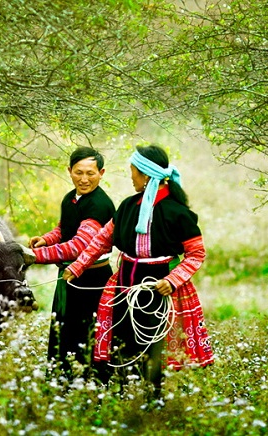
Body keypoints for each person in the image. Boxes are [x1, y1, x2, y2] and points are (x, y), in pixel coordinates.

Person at [62, 144, 214, 397]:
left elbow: (196, 253)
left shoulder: (177, 213)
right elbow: (102, 240)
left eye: (133, 171)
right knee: (122, 340)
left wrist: (173, 280)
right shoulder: (128, 206)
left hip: (161, 288)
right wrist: (78, 266)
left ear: (145, 175)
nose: (131, 176)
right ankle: (124, 396)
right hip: (125, 283)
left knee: (156, 347)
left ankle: (154, 402)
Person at [29, 147, 116, 378]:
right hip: (68, 276)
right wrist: (46, 240)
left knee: (86, 333)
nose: (84, 179)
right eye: (78, 172)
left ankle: (88, 386)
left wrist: (35, 257)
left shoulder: (98, 204)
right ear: (69, 171)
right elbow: (64, 229)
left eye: (90, 173)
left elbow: (80, 246)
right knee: (64, 330)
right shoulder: (72, 198)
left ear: (102, 173)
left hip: (92, 281)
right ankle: (62, 382)